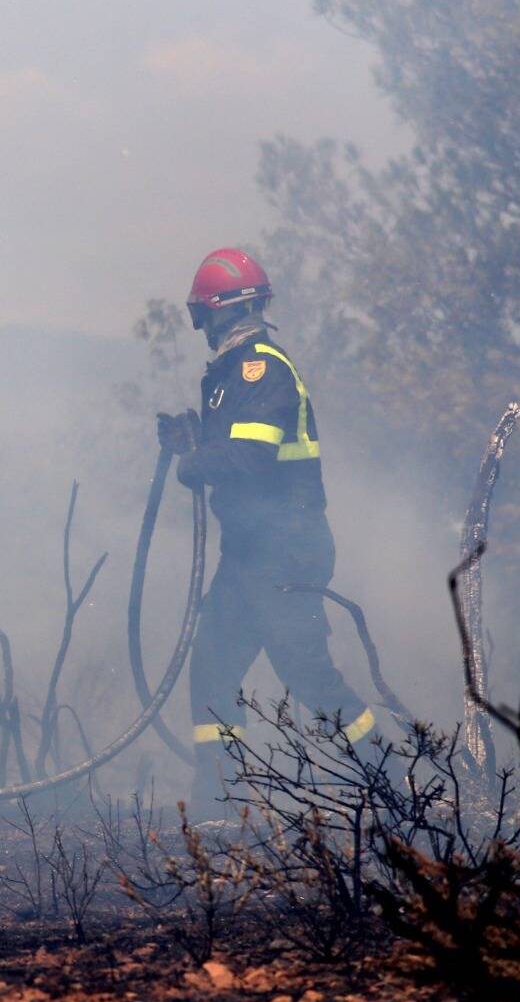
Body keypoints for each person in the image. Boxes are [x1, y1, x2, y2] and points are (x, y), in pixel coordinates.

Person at [158, 247, 374, 812]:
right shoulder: (230, 376)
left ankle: (393, 786)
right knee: (212, 670)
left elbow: (250, 457)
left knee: (309, 678)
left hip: (286, 552)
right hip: (251, 553)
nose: (201, 328)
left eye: (202, 315)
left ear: (224, 311)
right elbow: (228, 448)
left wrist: (194, 462)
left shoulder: (262, 368)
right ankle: (218, 804)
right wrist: (191, 440)